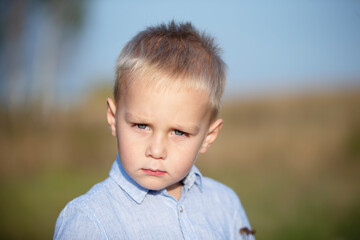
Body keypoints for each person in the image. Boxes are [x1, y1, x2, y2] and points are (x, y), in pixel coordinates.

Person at [53, 21, 255, 240]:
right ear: (113, 118)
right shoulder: (90, 221)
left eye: (179, 132)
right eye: (142, 126)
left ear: (208, 136)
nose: (156, 150)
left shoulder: (226, 206)